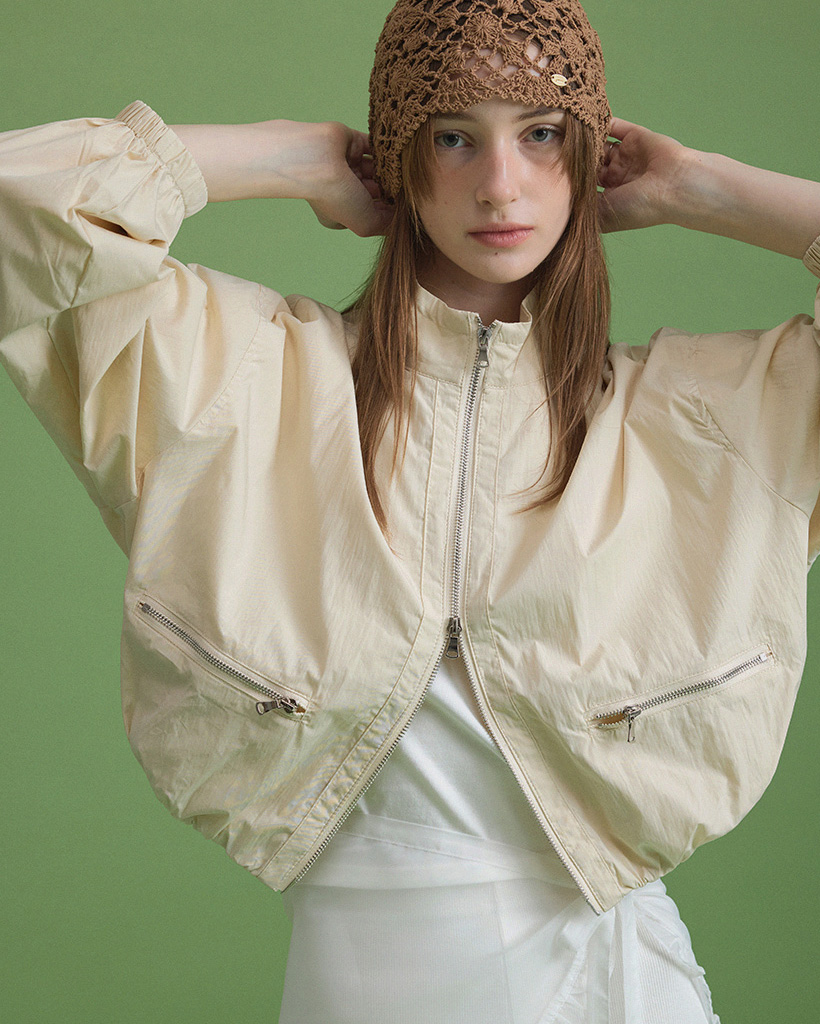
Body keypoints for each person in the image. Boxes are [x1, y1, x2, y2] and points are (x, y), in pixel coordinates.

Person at [1, 0, 819, 1020]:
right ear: (399, 159)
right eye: (451, 137)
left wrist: (704, 188)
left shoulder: (706, 421)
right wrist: (283, 157)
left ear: (588, 154)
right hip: (367, 978)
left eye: (541, 134)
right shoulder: (238, 383)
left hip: (613, 979)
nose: (500, 184)